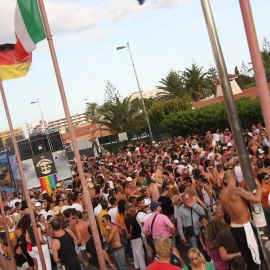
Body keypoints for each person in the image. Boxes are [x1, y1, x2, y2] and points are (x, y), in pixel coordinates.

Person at [219, 170, 262, 270]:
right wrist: (259, 186)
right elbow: (257, 199)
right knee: (254, 254)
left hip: (234, 227)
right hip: (245, 227)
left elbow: (222, 210)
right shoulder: (237, 190)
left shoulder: (222, 194)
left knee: (246, 255)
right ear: (234, 177)